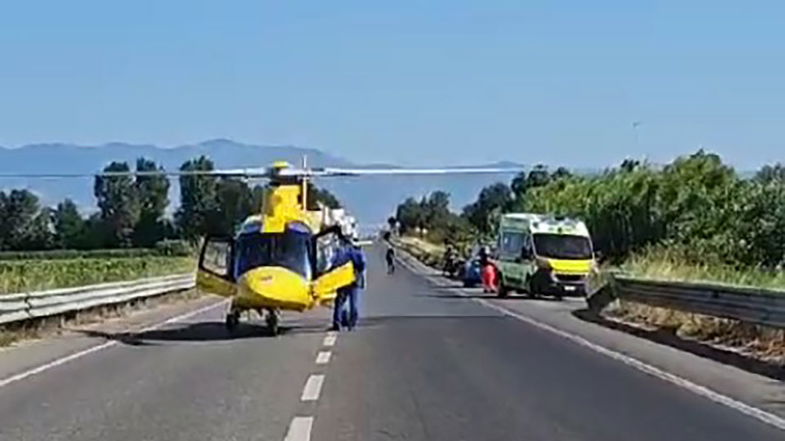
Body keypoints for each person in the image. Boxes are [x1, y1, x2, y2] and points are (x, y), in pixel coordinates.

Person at [331, 235, 366, 331]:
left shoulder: (339, 252)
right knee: (353, 303)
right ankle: (352, 324)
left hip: (342, 280)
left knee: (340, 302)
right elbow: (362, 264)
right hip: (354, 280)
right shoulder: (357, 252)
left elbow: (333, 264)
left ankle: (337, 323)